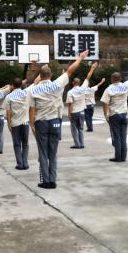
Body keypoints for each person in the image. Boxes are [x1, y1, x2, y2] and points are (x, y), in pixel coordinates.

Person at [28, 50, 89, 188]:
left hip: (41, 123)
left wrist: (32, 126)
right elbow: (70, 71)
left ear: (40, 76)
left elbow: (32, 110)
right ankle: (53, 180)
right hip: (55, 122)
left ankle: (46, 181)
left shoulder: (33, 90)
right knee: (53, 153)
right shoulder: (57, 84)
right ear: (50, 75)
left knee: (43, 153)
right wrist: (80, 58)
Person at [101, 65, 128, 162]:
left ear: (112, 79)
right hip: (124, 115)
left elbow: (105, 102)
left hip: (114, 115)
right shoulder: (125, 85)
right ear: (120, 79)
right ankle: (123, 157)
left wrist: (106, 115)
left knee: (117, 137)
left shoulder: (109, 89)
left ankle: (118, 157)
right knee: (123, 136)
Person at [65, 63, 99, 149]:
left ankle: (77, 144)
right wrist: (92, 68)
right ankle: (82, 143)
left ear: (73, 83)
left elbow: (70, 104)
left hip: (74, 112)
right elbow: (88, 77)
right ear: (79, 83)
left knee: (74, 129)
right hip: (82, 112)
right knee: (81, 128)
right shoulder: (83, 88)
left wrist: (69, 114)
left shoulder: (70, 92)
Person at [5, 78, 31, 170]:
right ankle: (25, 163)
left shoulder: (9, 97)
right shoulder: (27, 93)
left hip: (15, 123)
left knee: (17, 144)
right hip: (25, 122)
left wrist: (9, 124)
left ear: (12, 85)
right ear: (21, 85)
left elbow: (8, 112)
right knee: (25, 143)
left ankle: (20, 164)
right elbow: (35, 83)